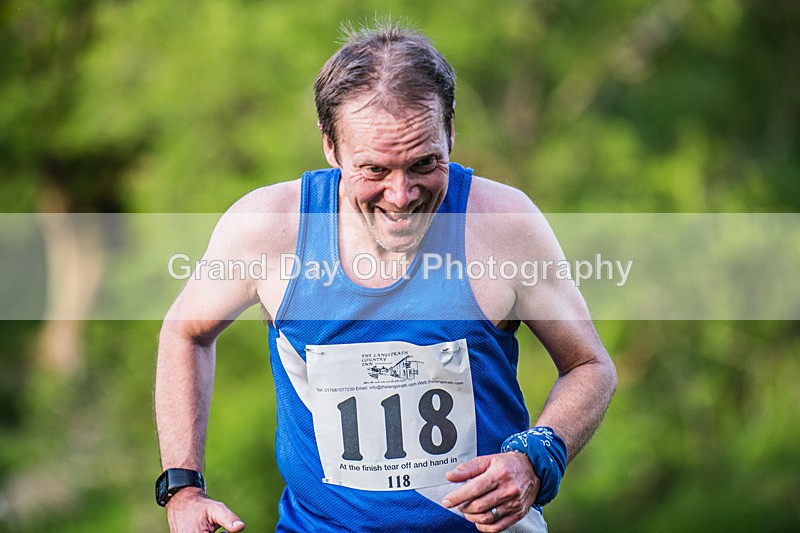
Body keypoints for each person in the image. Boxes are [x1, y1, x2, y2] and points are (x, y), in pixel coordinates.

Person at [155, 23, 617, 533]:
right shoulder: (270, 228)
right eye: (374, 170)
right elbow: (185, 332)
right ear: (330, 147)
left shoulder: (503, 225)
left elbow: (590, 366)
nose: (402, 195)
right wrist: (182, 488)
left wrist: (536, 456)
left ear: (451, 132)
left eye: (424, 163)